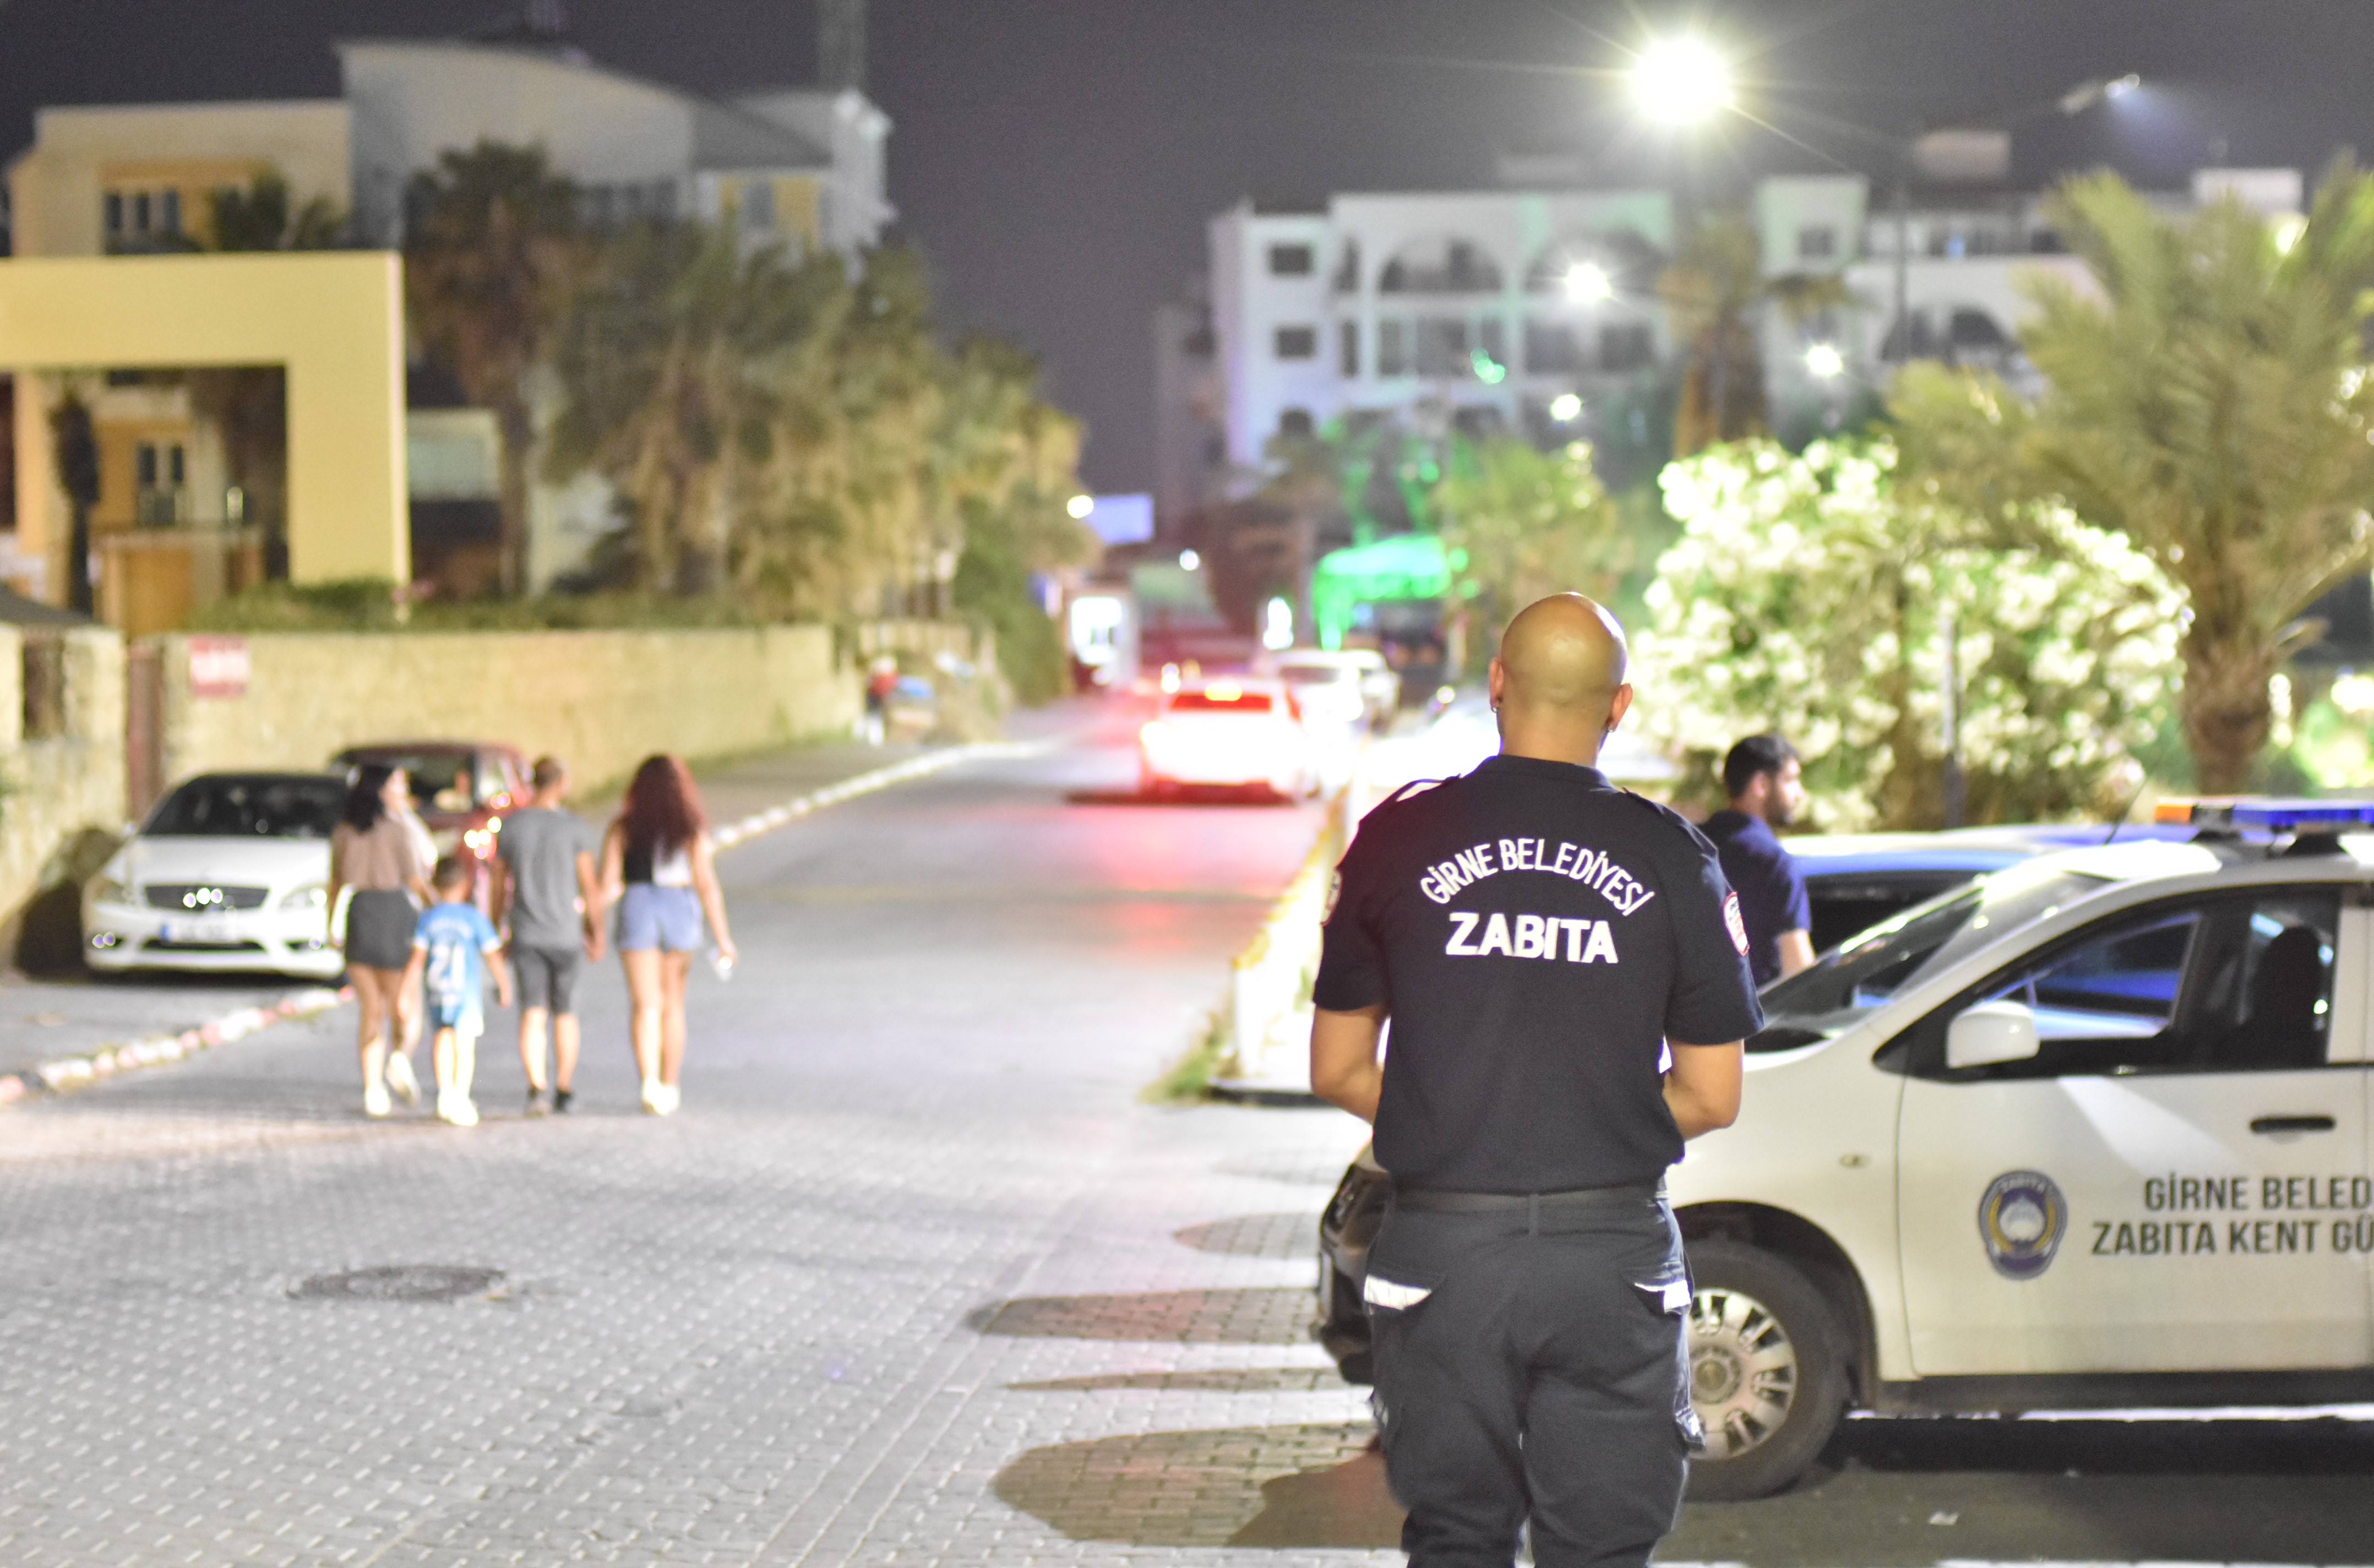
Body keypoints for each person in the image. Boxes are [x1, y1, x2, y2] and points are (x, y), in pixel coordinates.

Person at [1308, 593, 1762, 1568]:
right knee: (1601, 1550)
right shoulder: (1674, 857)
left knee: (1456, 1540)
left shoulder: (1395, 838)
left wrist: (1460, 1123)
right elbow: (1712, 1095)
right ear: (1620, 705)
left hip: (1444, 1251)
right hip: (1610, 1256)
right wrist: (1582, 1127)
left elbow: (1338, 1065)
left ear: (1496, 684)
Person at [598, 754, 736, 1116]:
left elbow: (608, 884)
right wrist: (723, 938)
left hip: (637, 905)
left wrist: (590, 920)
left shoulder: (623, 828)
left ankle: (649, 1083)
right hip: (679, 907)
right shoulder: (689, 827)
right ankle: (670, 1083)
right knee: (673, 1005)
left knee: (645, 1005)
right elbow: (706, 884)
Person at [492, 754, 603, 1115]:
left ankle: (536, 1088)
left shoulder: (511, 827)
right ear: (561, 784)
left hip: (526, 933)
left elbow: (498, 885)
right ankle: (565, 1088)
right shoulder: (574, 829)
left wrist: (496, 929)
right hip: (566, 935)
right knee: (566, 1013)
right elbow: (589, 887)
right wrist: (595, 930)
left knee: (533, 1012)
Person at [328, 765, 433, 1118]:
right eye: (397, 784)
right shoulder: (399, 830)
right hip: (395, 914)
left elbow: (335, 883)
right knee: (404, 1004)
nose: (402, 790)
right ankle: (400, 1057)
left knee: (370, 1008)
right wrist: (440, 908)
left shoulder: (344, 832)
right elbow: (415, 880)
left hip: (360, 913)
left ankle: (373, 1090)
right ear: (381, 790)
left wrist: (330, 926)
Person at [402, 856, 513, 1127]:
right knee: (465, 1045)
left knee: (442, 1037)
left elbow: (416, 960)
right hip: (466, 994)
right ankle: (461, 1096)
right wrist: (504, 984)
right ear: (465, 885)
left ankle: (445, 1093)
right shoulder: (473, 918)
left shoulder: (429, 918)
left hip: (438, 990)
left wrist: (405, 990)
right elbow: (492, 954)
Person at [1700, 734, 1815, 984]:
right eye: (1791, 780)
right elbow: (1799, 974)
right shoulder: (1774, 863)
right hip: (1759, 1006)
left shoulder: (1688, 845)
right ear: (1761, 784)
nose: (1799, 793)